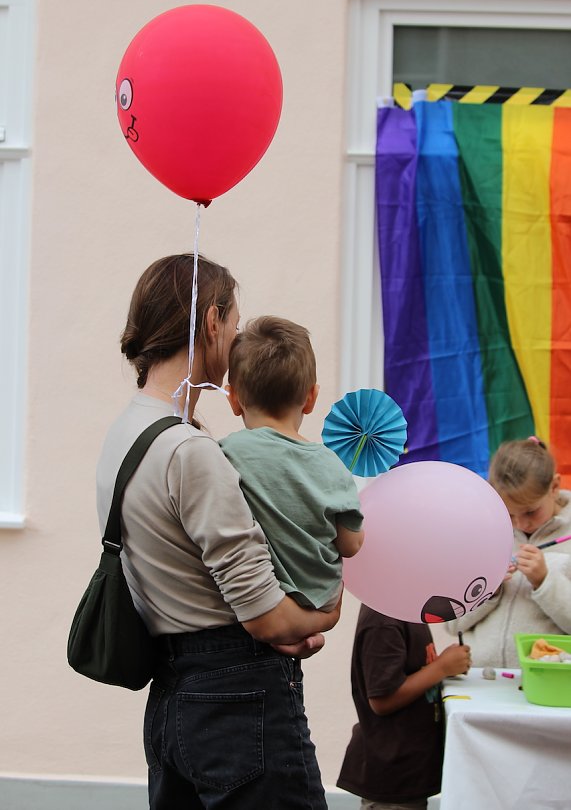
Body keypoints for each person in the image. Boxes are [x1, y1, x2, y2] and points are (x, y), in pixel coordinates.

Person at [96, 254, 343, 810]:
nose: (235, 340)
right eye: (233, 324)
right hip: (239, 700)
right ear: (211, 321)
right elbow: (266, 616)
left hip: (173, 699)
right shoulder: (190, 450)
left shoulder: (129, 430)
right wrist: (328, 604)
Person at [219, 315, 364, 611]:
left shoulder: (224, 454)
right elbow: (350, 545)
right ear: (310, 398)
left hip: (254, 601)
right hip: (319, 602)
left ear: (233, 399)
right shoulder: (330, 465)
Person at [447, 437, 571, 668]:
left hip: (547, 681)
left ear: (554, 487)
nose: (521, 524)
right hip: (480, 680)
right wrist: (487, 590)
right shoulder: (485, 533)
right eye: (510, 514)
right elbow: (452, 624)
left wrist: (545, 582)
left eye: (530, 512)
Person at [337, 605, 471, 810]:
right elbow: (383, 699)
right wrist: (441, 667)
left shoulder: (406, 609)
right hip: (392, 775)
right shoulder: (383, 619)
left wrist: (443, 667)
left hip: (409, 768)